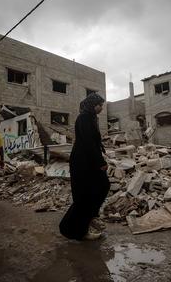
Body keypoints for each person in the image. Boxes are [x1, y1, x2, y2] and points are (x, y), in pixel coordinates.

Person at [59, 93, 110, 241]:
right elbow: (88, 143)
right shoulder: (84, 118)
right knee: (86, 196)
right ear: (93, 105)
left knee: (101, 187)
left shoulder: (91, 118)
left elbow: (93, 142)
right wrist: (101, 162)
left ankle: (89, 217)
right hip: (83, 162)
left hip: (88, 161)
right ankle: (75, 229)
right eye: (100, 105)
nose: (101, 108)